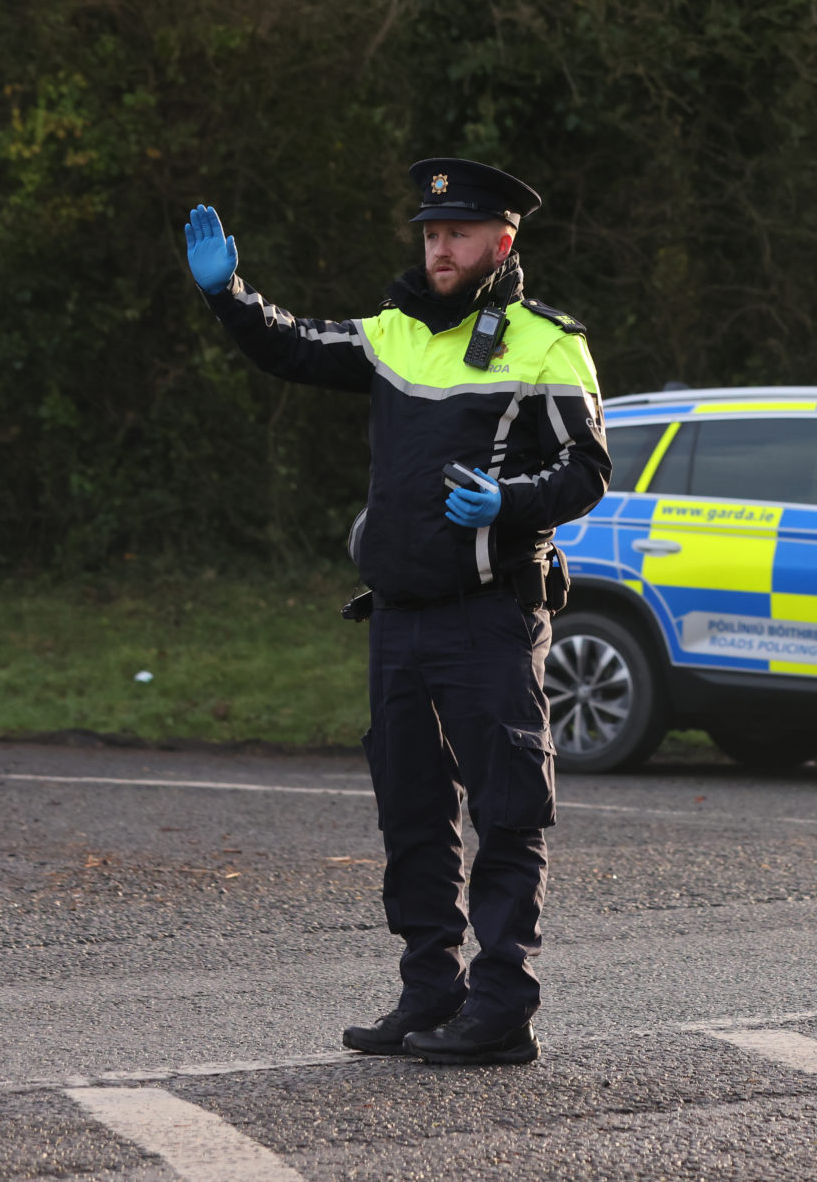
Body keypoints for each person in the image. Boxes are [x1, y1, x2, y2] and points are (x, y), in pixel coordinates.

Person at [182, 158, 610, 1065]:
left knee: (507, 810)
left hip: (491, 615)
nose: (438, 247)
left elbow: (587, 470)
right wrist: (231, 297)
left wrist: (510, 502)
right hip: (401, 616)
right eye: (428, 232)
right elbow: (293, 347)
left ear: (503, 240)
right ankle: (431, 988)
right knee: (411, 811)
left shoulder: (547, 341)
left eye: (456, 233)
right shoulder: (390, 334)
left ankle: (502, 1007)